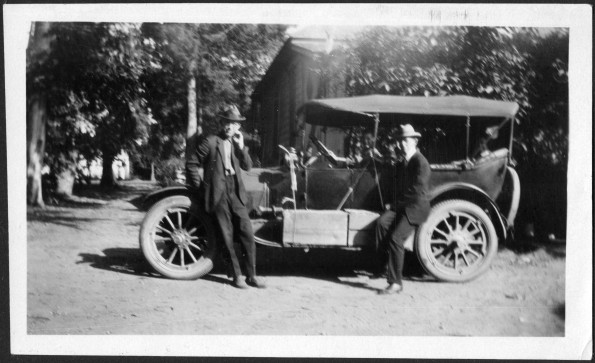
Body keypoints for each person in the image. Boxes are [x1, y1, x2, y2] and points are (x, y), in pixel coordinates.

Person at [185, 104, 266, 289]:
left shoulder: (238, 143)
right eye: (227, 122)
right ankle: (236, 276)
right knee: (226, 235)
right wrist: (201, 188)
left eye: (234, 123)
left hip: (236, 192)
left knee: (246, 232)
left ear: (239, 127)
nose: (230, 126)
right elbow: (191, 163)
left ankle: (252, 275)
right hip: (217, 193)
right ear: (222, 123)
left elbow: (248, 167)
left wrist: (241, 147)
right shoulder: (211, 141)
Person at [375, 124, 431, 295]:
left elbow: (415, 192)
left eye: (405, 140)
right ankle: (383, 266)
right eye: (399, 141)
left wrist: (394, 205)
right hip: (403, 206)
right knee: (381, 223)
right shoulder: (404, 161)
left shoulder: (420, 162)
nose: (401, 144)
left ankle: (396, 283)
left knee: (396, 238)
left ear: (414, 141)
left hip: (415, 208)